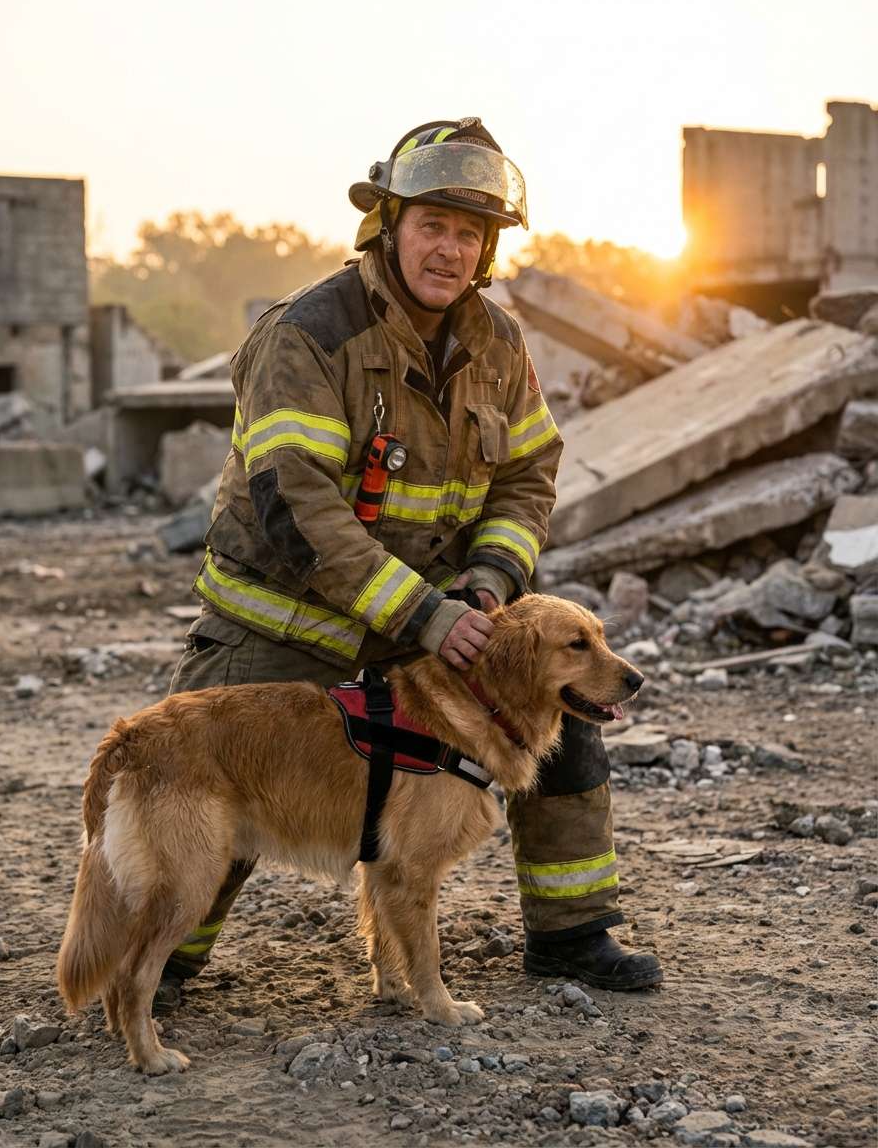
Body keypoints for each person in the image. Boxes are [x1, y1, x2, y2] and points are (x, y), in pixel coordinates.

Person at [156, 118, 662, 1010]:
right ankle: (161, 957)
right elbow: (296, 506)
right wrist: (426, 616)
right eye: (432, 224)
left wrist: (491, 585)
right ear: (387, 225)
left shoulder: (498, 345)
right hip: (290, 619)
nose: (450, 247)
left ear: (488, 250)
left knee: (564, 718)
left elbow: (529, 474)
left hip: (435, 617)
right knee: (231, 778)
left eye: (471, 233)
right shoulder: (310, 333)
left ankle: (572, 934)